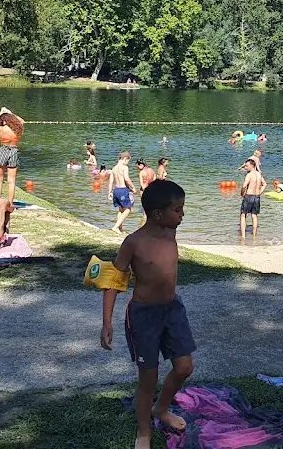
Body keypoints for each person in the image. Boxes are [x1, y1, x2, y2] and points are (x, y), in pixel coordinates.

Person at [100, 180, 195, 449]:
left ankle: (160, 409)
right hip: (143, 316)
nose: (182, 215)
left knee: (185, 367)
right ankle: (144, 431)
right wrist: (107, 323)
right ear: (157, 214)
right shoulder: (133, 243)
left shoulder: (170, 232)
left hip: (172, 310)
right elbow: (114, 283)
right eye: (178, 210)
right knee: (148, 378)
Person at [0, 108, 24, 199]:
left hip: (3, 150)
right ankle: (10, 202)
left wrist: (0, 112)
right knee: (11, 181)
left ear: (4, 121)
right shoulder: (18, 129)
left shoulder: (2, 129)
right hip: (14, 151)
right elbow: (22, 121)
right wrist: (11, 113)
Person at [109, 152, 138, 234]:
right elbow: (127, 179)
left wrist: (109, 192)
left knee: (121, 209)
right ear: (125, 159)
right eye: (128, 161)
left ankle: (120, 229)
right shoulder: (124, 167)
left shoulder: (114, 168)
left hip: (116, 190)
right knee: (128, 209)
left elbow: (111, 181)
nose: (128, 163)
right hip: (123, 190)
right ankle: (115, 227)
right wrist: (133, 187)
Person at [239, 157, 265, 238]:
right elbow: (264, 184)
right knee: (254, 215)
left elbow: (244, 185)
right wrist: (260, 192)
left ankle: (243, 236)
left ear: (251, 166)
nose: (245, 168)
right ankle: (254, 235)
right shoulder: (259, 174)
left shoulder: (249, 175)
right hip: (256, 197)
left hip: (248, 196)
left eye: (246, 166)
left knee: (243, 215)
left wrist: (242, 193)